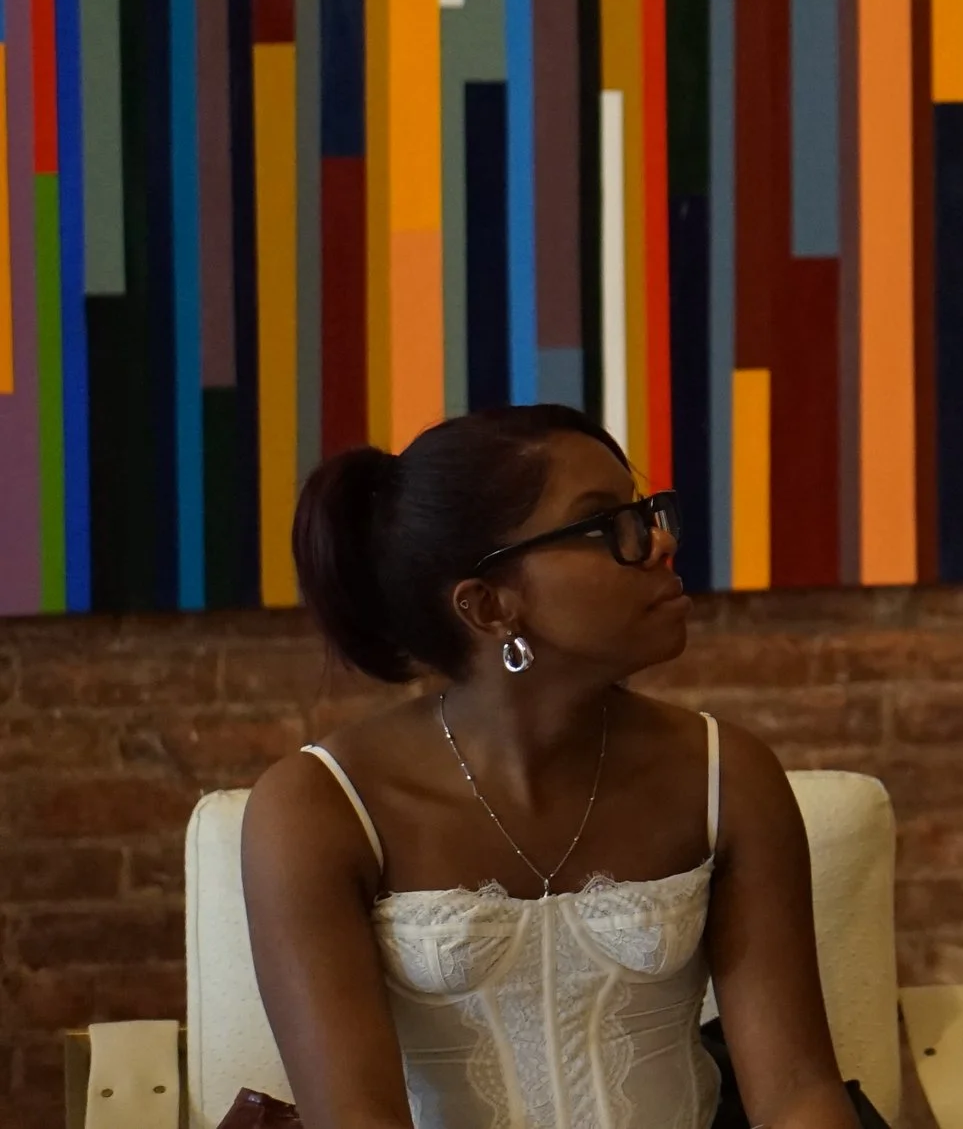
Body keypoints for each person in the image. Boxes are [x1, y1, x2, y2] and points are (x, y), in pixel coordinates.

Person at [240, 405, 861, 1129]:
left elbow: (797, 1094)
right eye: (605, 525)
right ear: (488, 605)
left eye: (644, 511)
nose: (658, 539)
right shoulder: (318, 807)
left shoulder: (731, 775)